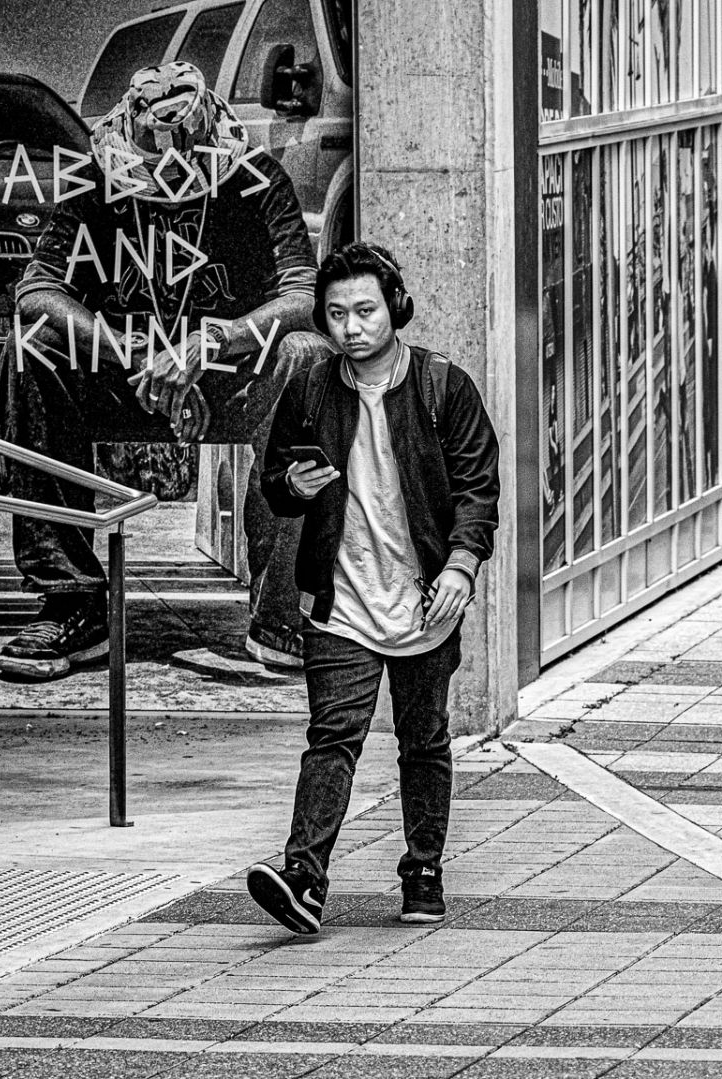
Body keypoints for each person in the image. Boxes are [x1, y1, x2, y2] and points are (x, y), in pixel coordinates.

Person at [0, 61, 331, 680]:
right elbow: (37, 292)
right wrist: (137, 354)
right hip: (123, 374)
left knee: (308, 357)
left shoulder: (258, 179)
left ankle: (282, 610)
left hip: (230, 372)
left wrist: (213, 342)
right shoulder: (93, 180)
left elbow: (303, 294)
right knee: (31, 346)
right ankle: (73, 602)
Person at [244, 243, 500, 934]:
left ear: (393, 307)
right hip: (340, 598)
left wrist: (459, 565)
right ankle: (304, 877)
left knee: (423, 739)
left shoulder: (444, 387)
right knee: (333, 735)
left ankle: (422, 868)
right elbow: (276, 479)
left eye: (364, 310)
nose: (351, 327)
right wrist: (288, 489)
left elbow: (478, 490)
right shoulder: (309, 388)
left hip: (424, 598)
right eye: (336, 314)